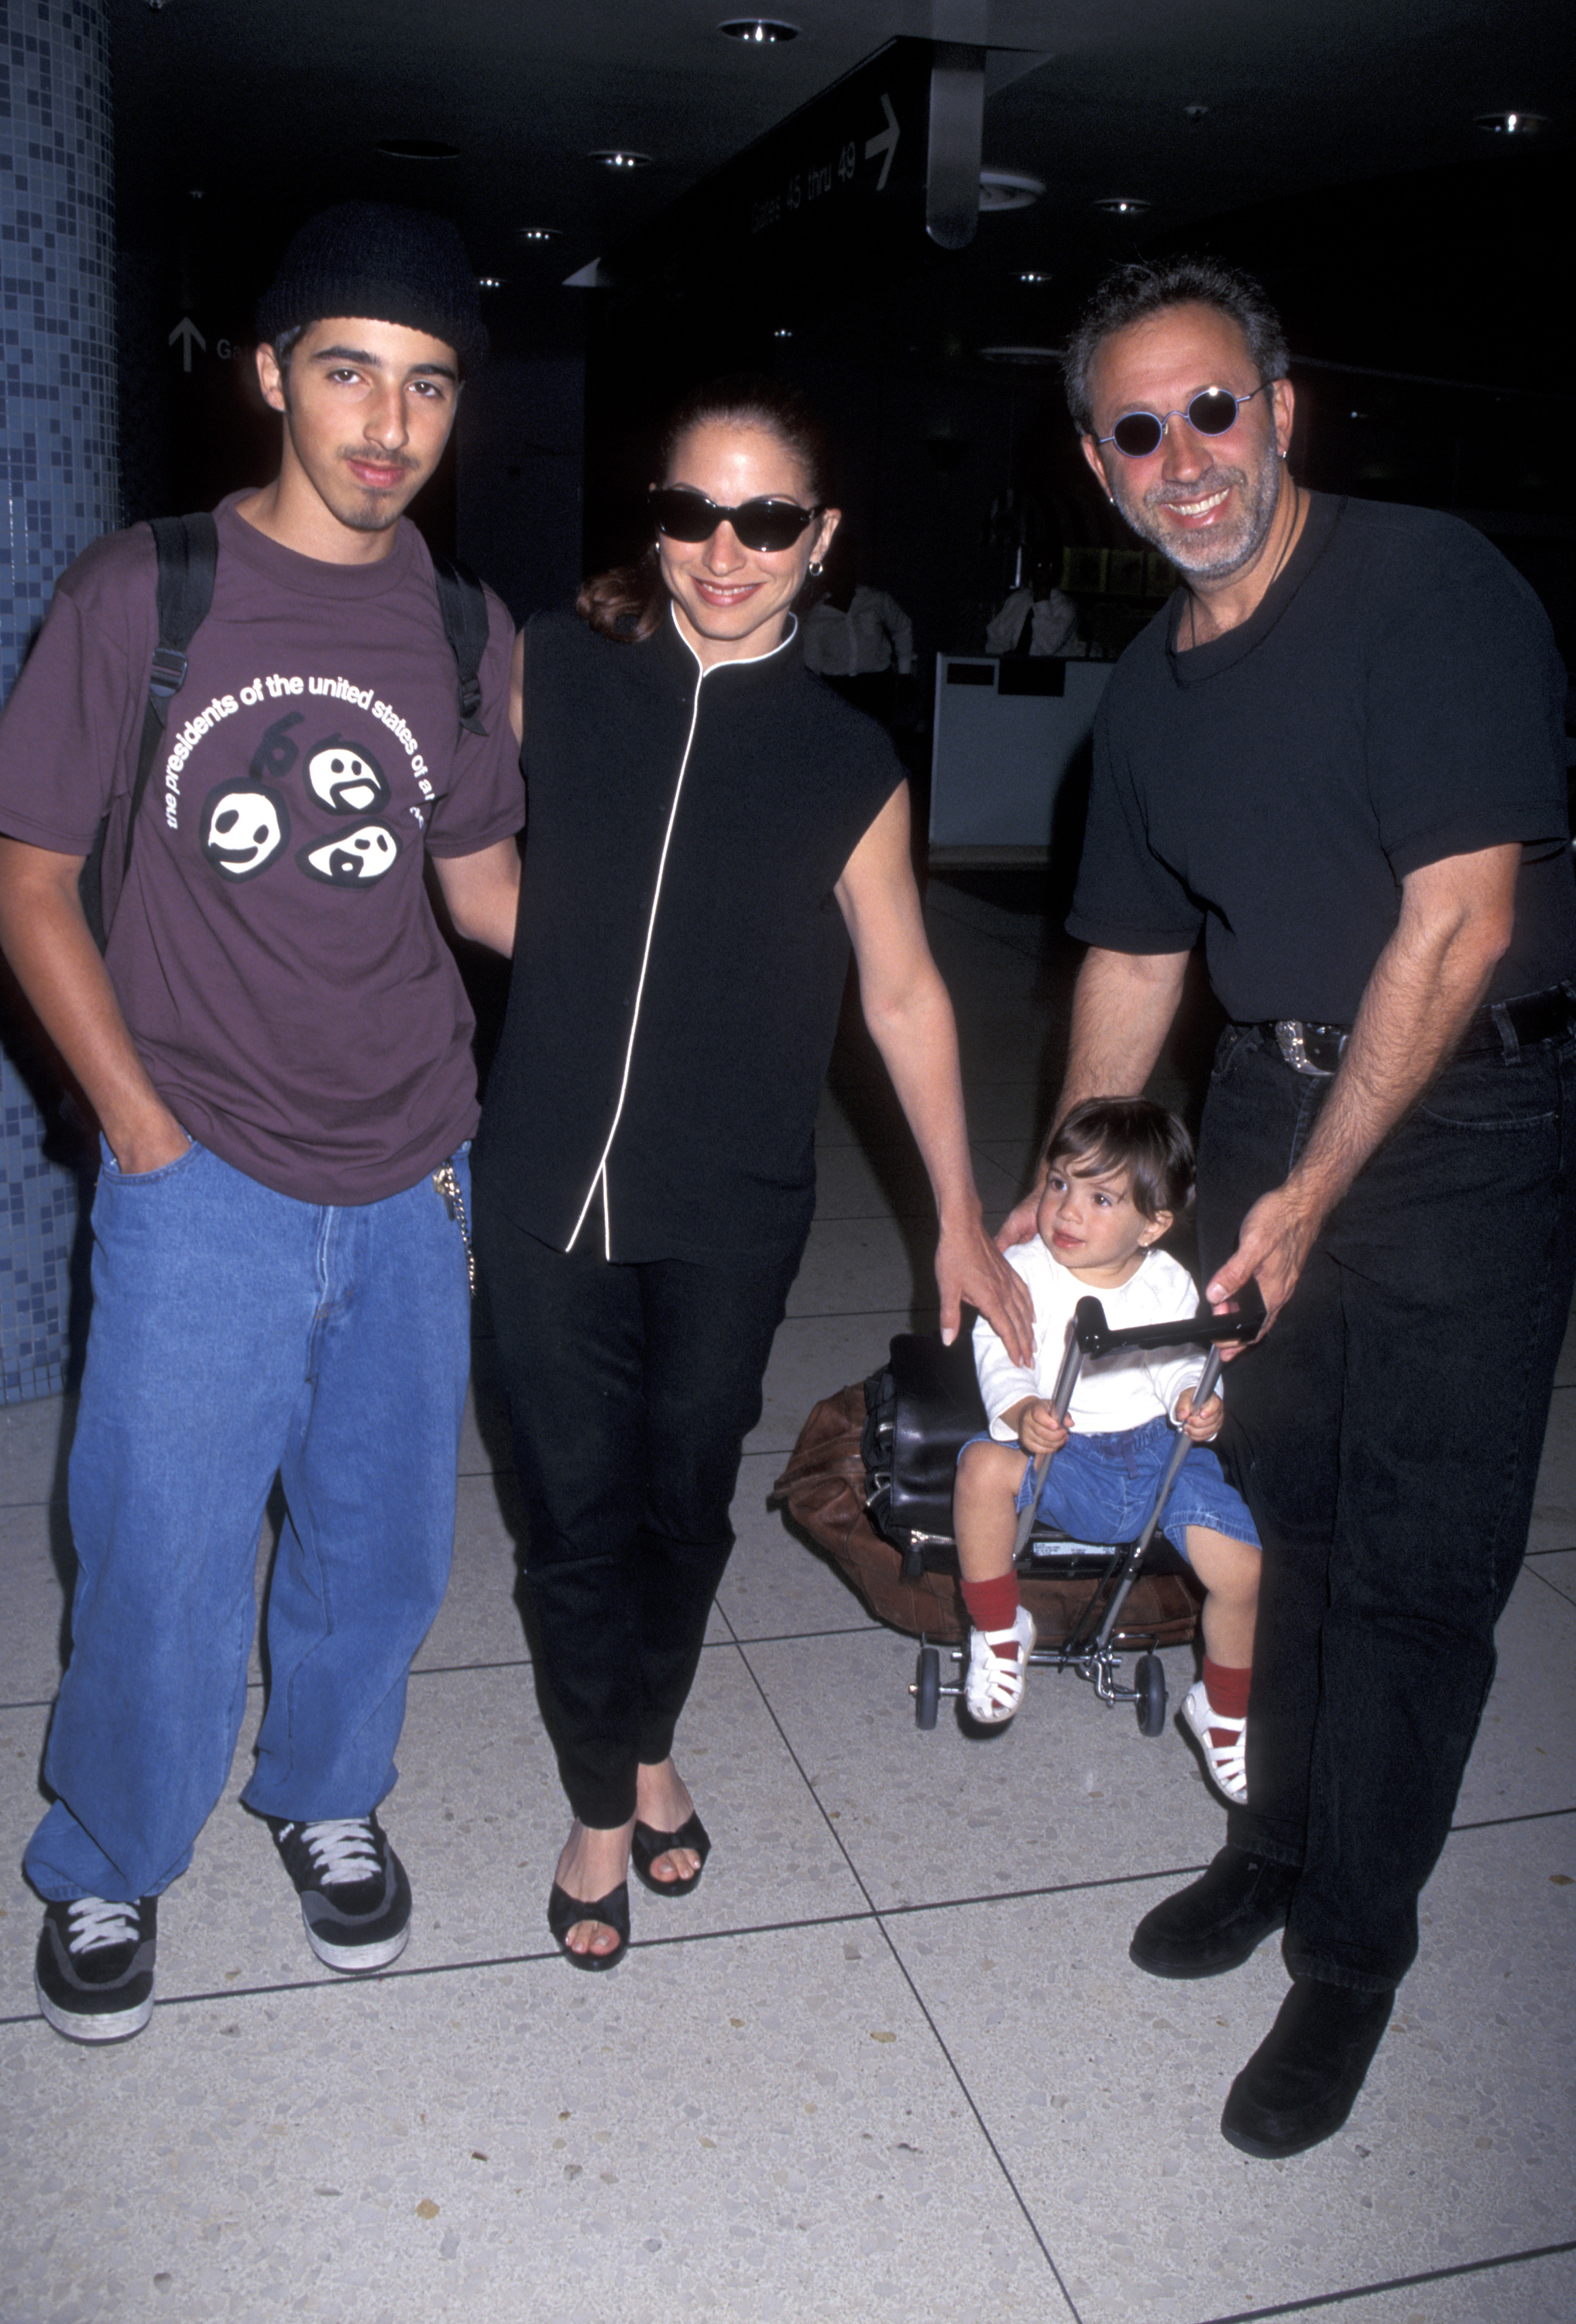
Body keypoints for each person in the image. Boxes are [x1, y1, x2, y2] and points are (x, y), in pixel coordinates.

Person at [999, 256, 1576, 2157]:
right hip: (1266, 1100)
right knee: (1277, 1511)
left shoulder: (1424, 589)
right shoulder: (1147, 695)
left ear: (1279, 405)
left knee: (1416, 1564)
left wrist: (1317, 1188)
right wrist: (1055, 1196)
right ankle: (1269, 1840)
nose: (1184, 458)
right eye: (1137, 430)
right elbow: (1131, 956)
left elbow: (1460, 912)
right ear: (1098, 465)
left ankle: (1348, 1949)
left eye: (1211, 409)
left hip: (1467, 1116)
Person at [0, 203, 524, 2041]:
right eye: (348, 372)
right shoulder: (146, 593)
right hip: (199, 1151)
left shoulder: (467, 626)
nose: (387, 422)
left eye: (428, 383)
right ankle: (109, 1855)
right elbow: (32, 879)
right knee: (160, 1532)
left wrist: (686, 947)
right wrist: (135, 1122)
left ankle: (325, 1791)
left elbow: (479, 884)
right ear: (270, 378)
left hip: (413, 1155)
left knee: (378, 1536)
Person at [471, 373, 1033, 1971]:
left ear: (821, 538)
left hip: (729, 1208)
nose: (725, 552)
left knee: (682, 1502)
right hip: (538, 1191)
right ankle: (609, 1791)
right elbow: (456, 855)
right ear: (653, 521)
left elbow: (908, 991)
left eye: (766, 520)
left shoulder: (847, 757)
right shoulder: (559, 668)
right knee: (570, 1515)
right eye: (691, 514)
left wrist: (954, 1218)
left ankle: (645, 1729)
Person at [958, 1098, 1259, 1795]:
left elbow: (1184, 1358)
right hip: (1058, 1451)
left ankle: (1221, 1706)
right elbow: (998, 1350)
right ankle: (999, 1629)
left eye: (1100, 1198)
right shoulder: (1024, 1269)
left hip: (1156, 1451)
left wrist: (1196, 1398)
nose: (1067, 1211)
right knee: (978, 1469)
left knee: (1243, 1572)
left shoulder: (1165, 1282)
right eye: (1059, 1183)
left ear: (1152, 1225)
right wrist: (1021, 1408)